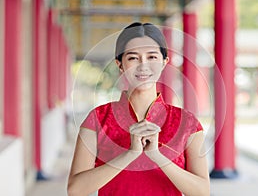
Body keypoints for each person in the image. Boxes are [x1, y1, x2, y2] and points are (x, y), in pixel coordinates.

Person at [67, 22, 210, 196]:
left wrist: (156, 155)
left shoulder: (188, 124)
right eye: (133, 58)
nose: (143, 65)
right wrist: (130, 154)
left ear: (164, 62)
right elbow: (75, 190)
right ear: (120, 64)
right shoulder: (97, 119)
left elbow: (202, 192)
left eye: (152, 57)